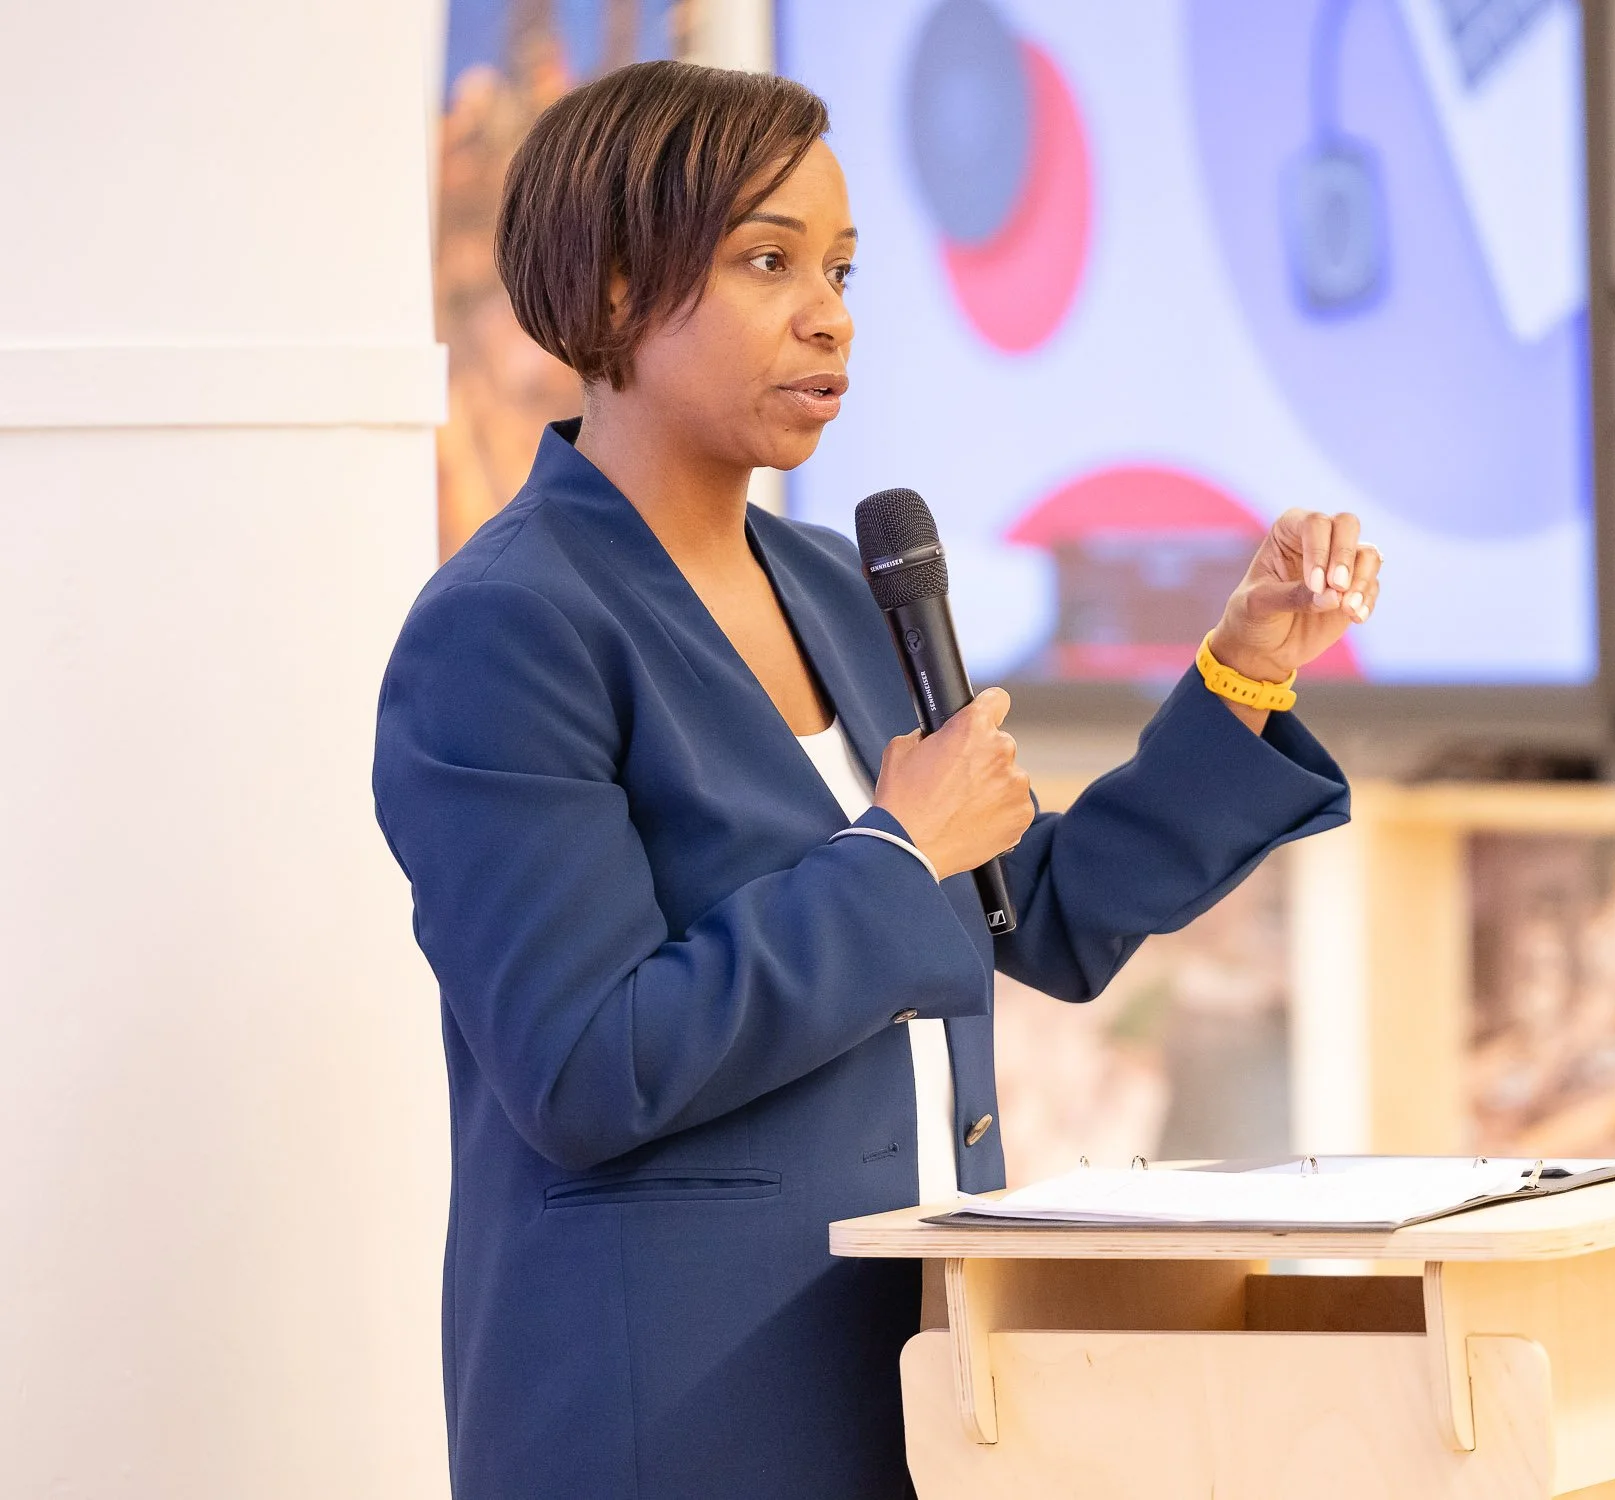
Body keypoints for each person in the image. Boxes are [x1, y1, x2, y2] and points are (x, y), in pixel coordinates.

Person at [372, 61, 1385, 1500]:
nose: (829, 314)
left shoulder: (842, 588)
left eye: (840, 269)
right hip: (674, 1420)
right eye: (767, 261)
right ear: (610, 291)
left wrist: (1243, 674)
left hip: (913, 1380)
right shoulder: (509, 627)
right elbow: (589, 1063)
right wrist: (893, 854)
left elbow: (1035, 914)